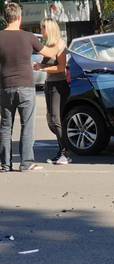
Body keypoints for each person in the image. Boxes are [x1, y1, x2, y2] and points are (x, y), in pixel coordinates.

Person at [0, 3, 58, 172]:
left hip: (4, 87)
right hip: (25, 86)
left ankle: (5, 164)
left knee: (5, 126)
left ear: (5, 18)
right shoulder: (29, 37)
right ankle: (26, 163)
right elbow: (49, 53)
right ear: (19, 18)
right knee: (27, 125)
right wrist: (59, 44)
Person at [33, 18, 71, 165]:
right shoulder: (49, 46)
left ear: (49, 29)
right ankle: (62, 150)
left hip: (59, 85)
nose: (41, 31)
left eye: (42, 28)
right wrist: (39, 65)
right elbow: (47, 63)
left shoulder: (60, 44)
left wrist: (42, 68)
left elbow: (61, 68)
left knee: (56, 120)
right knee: (51, 120)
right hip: (49, 84)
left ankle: (65, 153)